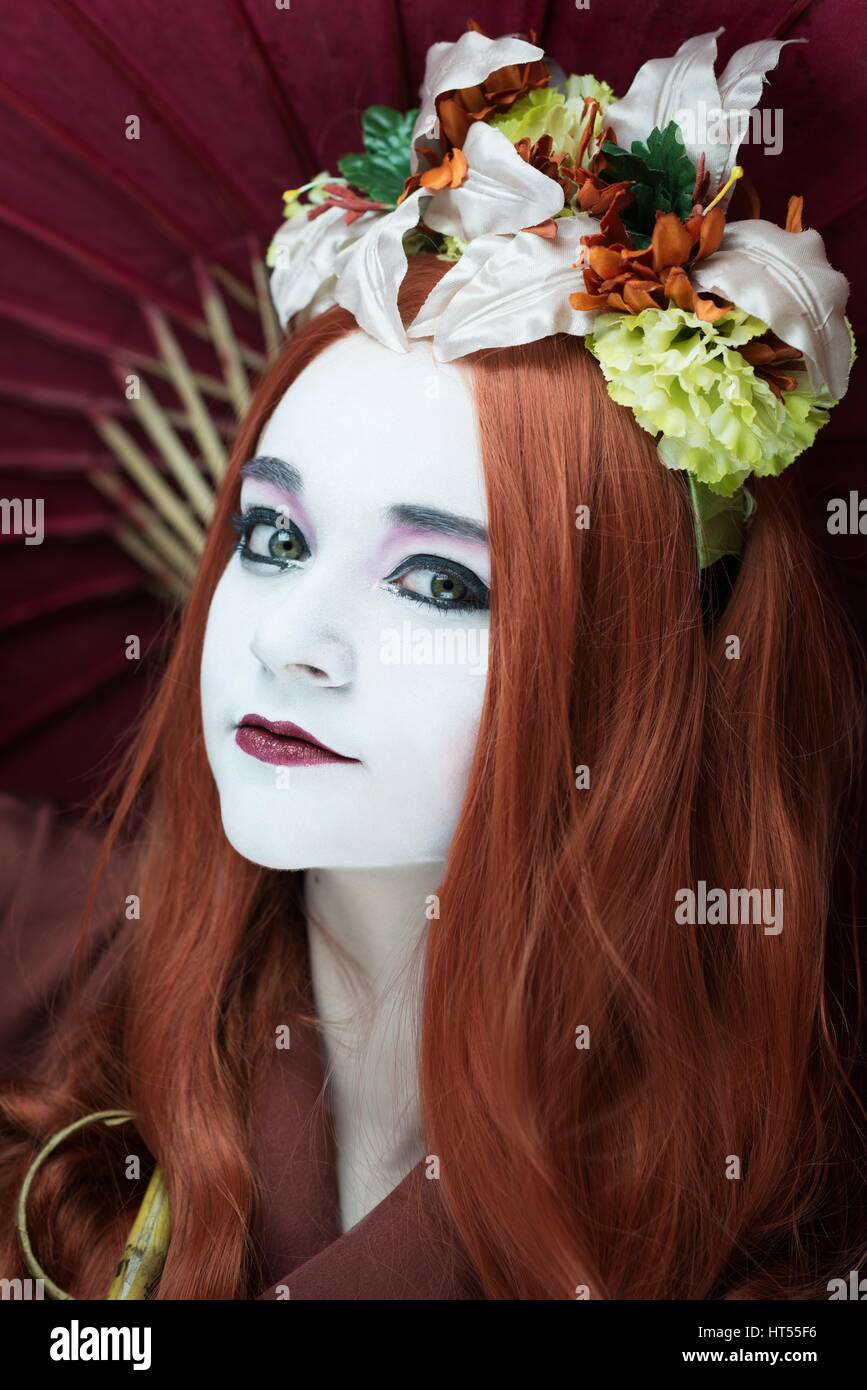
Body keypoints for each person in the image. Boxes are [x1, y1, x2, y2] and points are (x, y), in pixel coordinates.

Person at [1, 24, 866, 1300]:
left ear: (637, 674)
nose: (289, 641)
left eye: (439, 581)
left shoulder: (783, 1231)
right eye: (274, 534)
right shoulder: (54, 957)